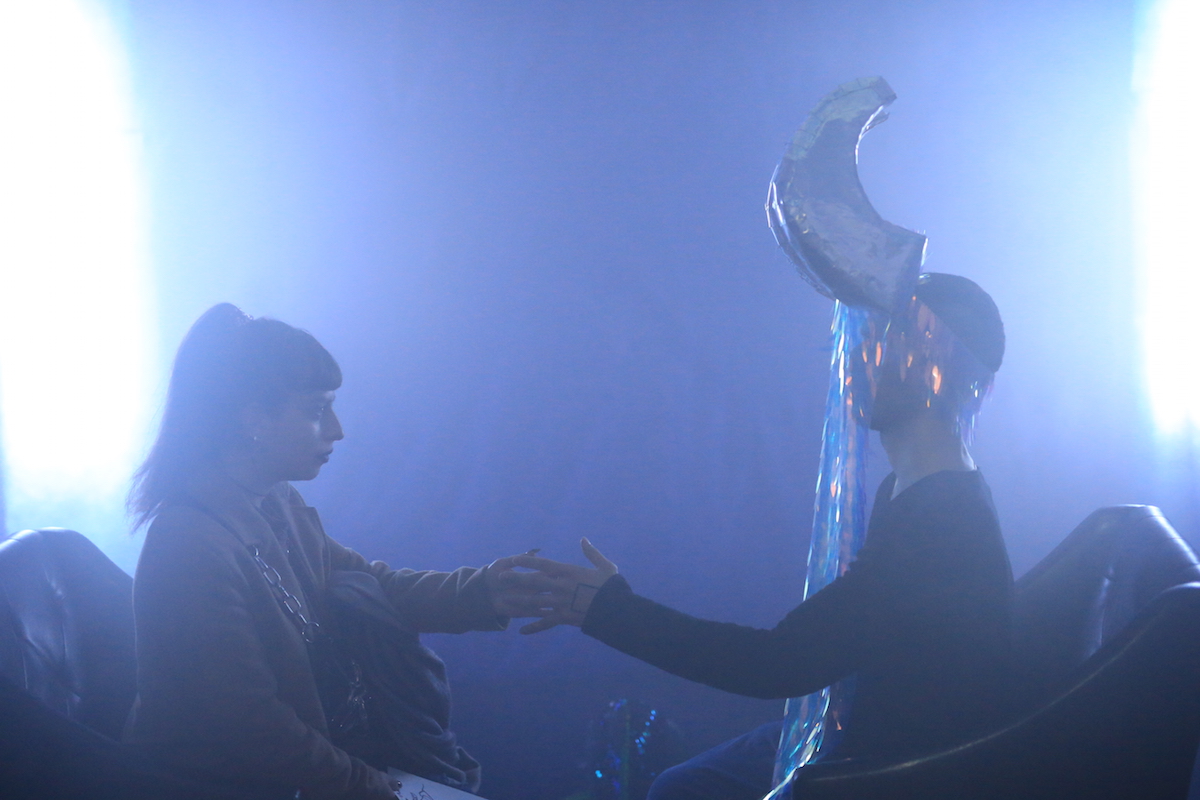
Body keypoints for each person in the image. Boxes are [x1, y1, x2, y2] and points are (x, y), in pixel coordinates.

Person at [511, 274, 1014, 800]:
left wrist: (609, 611)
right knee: (684, 786)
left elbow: (778, 663)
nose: (855, 357)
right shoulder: (914, 489)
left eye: (880, 339)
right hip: (867, 731)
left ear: (930, 361)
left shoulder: (941, 521)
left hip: (904, 771)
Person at [124, 304, 545, 800]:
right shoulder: (189, 547)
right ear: (255, 420)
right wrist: (372, 785)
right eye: (316, 411)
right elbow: (250, 727)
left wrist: (486, 592)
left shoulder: (276, 503)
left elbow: (375, 587)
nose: (337, 430)